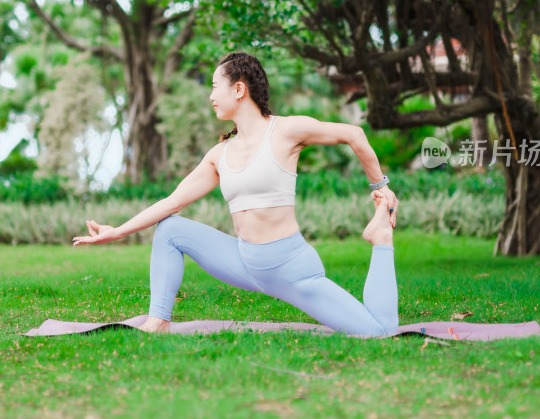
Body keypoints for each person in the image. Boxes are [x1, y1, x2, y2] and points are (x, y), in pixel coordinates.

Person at [72, 52, 400, 336]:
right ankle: (158, 320)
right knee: (171, 229)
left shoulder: (285, 131)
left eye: (215, 87)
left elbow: (354, 134)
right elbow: (172, 202)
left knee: (379, 331)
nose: (211, 96)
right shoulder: (220, 154)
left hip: (290, 269)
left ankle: (381, 236)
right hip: (245, 262)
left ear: (239, 89)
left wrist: (380, 187)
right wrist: (116, 232)